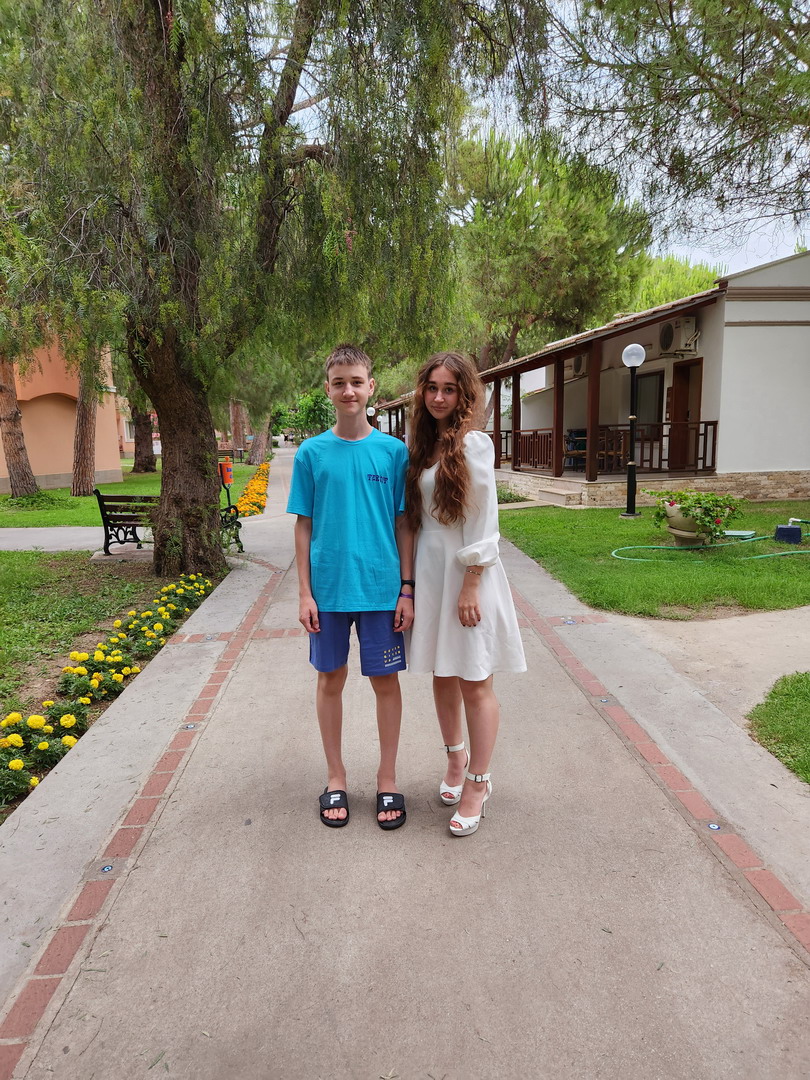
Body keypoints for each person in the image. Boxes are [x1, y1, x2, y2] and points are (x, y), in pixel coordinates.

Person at [287, 344, 414, 830]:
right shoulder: (312, 453)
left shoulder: (393, 452)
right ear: (328, 389)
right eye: (339, 382)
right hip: (329, 591)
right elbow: (303, 525)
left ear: (371, 387)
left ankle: (387, 779)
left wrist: (406, 589)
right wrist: (305, 593)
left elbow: (404, 524)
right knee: (330, 680)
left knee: (386, 682)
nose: (348, 391)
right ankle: (335, 777)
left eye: (356, 381)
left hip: (381, 589)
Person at [405, 351, 526, 836]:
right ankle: (455, 761)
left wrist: (472, 580)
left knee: (474, 679)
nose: (439, 397)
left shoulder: (473, 444)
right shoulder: (421, 445)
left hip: (466, 572)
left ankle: (479, 781)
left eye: (449, 389)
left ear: (464, 394)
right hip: (431, 573)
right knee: (443, 673)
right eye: (432, 388)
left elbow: (484, 519)